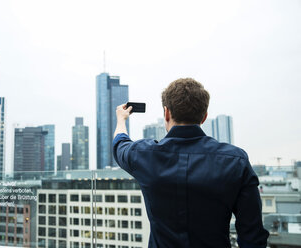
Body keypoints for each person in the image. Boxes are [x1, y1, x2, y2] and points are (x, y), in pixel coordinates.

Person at [112, 78, 269, 248]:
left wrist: (121, 119)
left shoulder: (144, 155)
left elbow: (120, 144)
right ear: (204, 117)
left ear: (166, 113)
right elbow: (252, 236)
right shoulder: (236, 161)